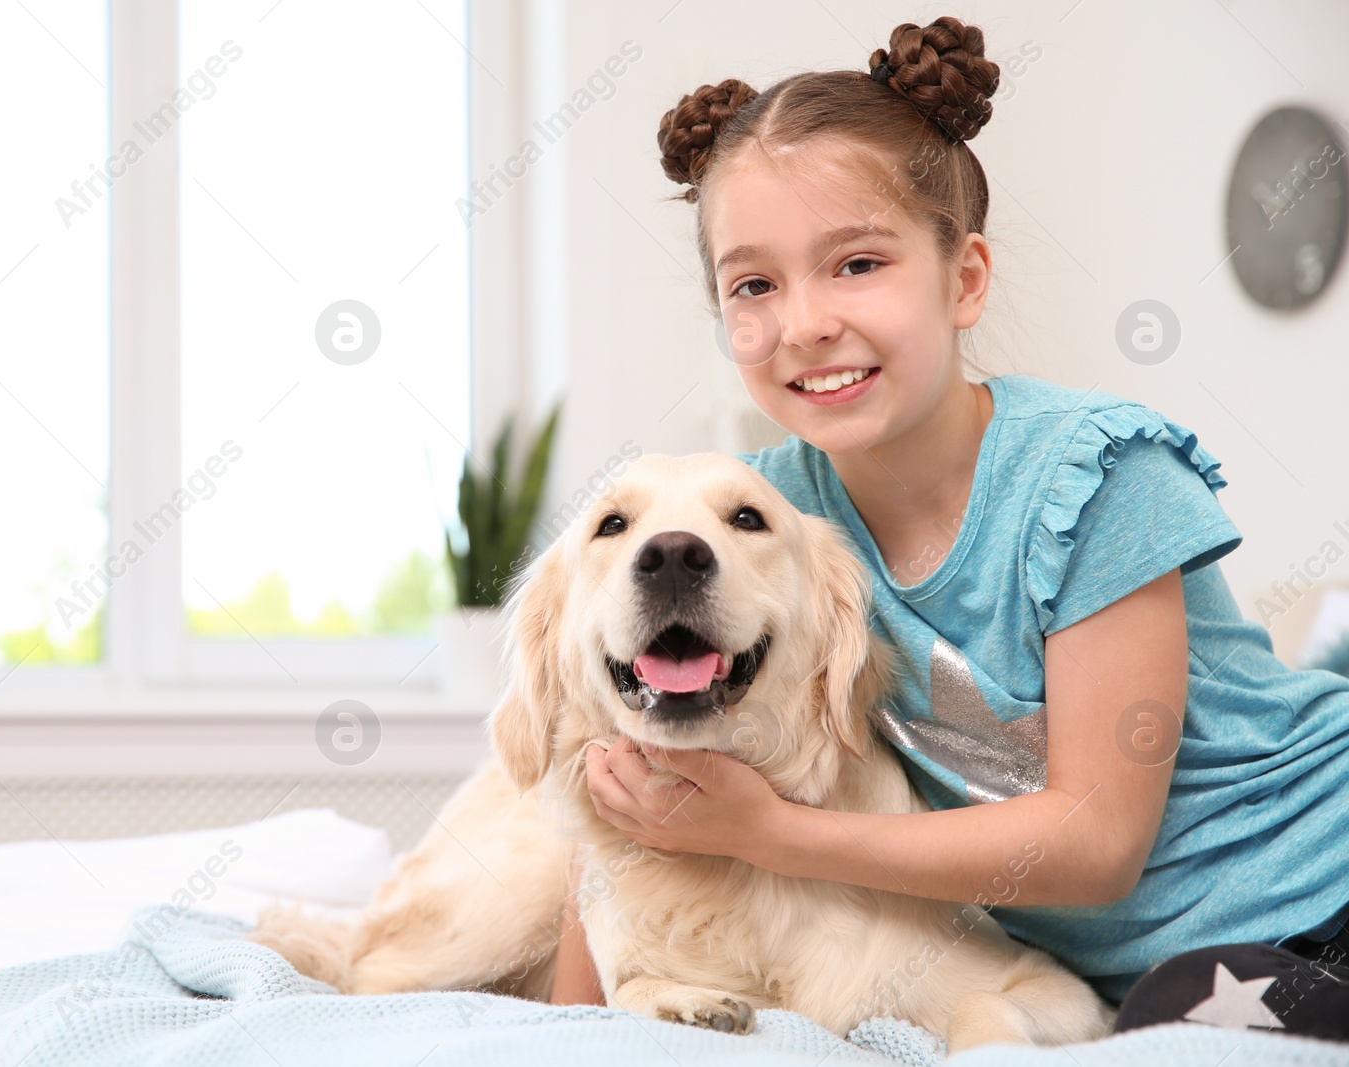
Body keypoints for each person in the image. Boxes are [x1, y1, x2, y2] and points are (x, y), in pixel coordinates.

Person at [551, 16, 1349, 1040]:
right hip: (1139, 965)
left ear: (963, 278)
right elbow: (605, 766)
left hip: (1320, 878)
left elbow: (1096, 839)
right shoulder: (753, 524)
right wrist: (570, 1025)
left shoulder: (1097, 477)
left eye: (855, 264)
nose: (802, 322)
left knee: (1182, 1019)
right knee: (1162, 1006)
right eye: (753, 283)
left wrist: (777, 835)